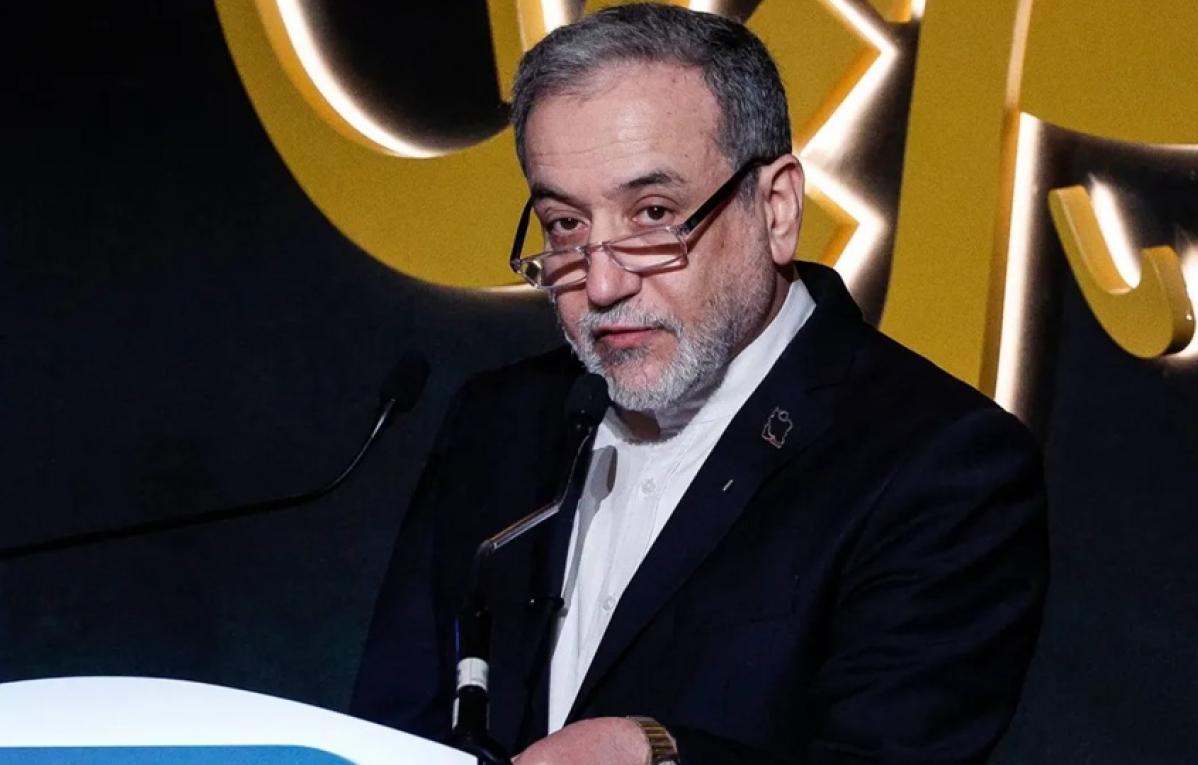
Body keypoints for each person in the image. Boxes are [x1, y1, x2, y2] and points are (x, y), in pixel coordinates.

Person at [351, 4, 1048, 764]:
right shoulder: (498, 421)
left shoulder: (942, 465)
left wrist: (657, 752)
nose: (604, 284)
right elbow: (385, 735)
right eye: (565, 226)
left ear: (776, 209)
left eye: (653, 214)